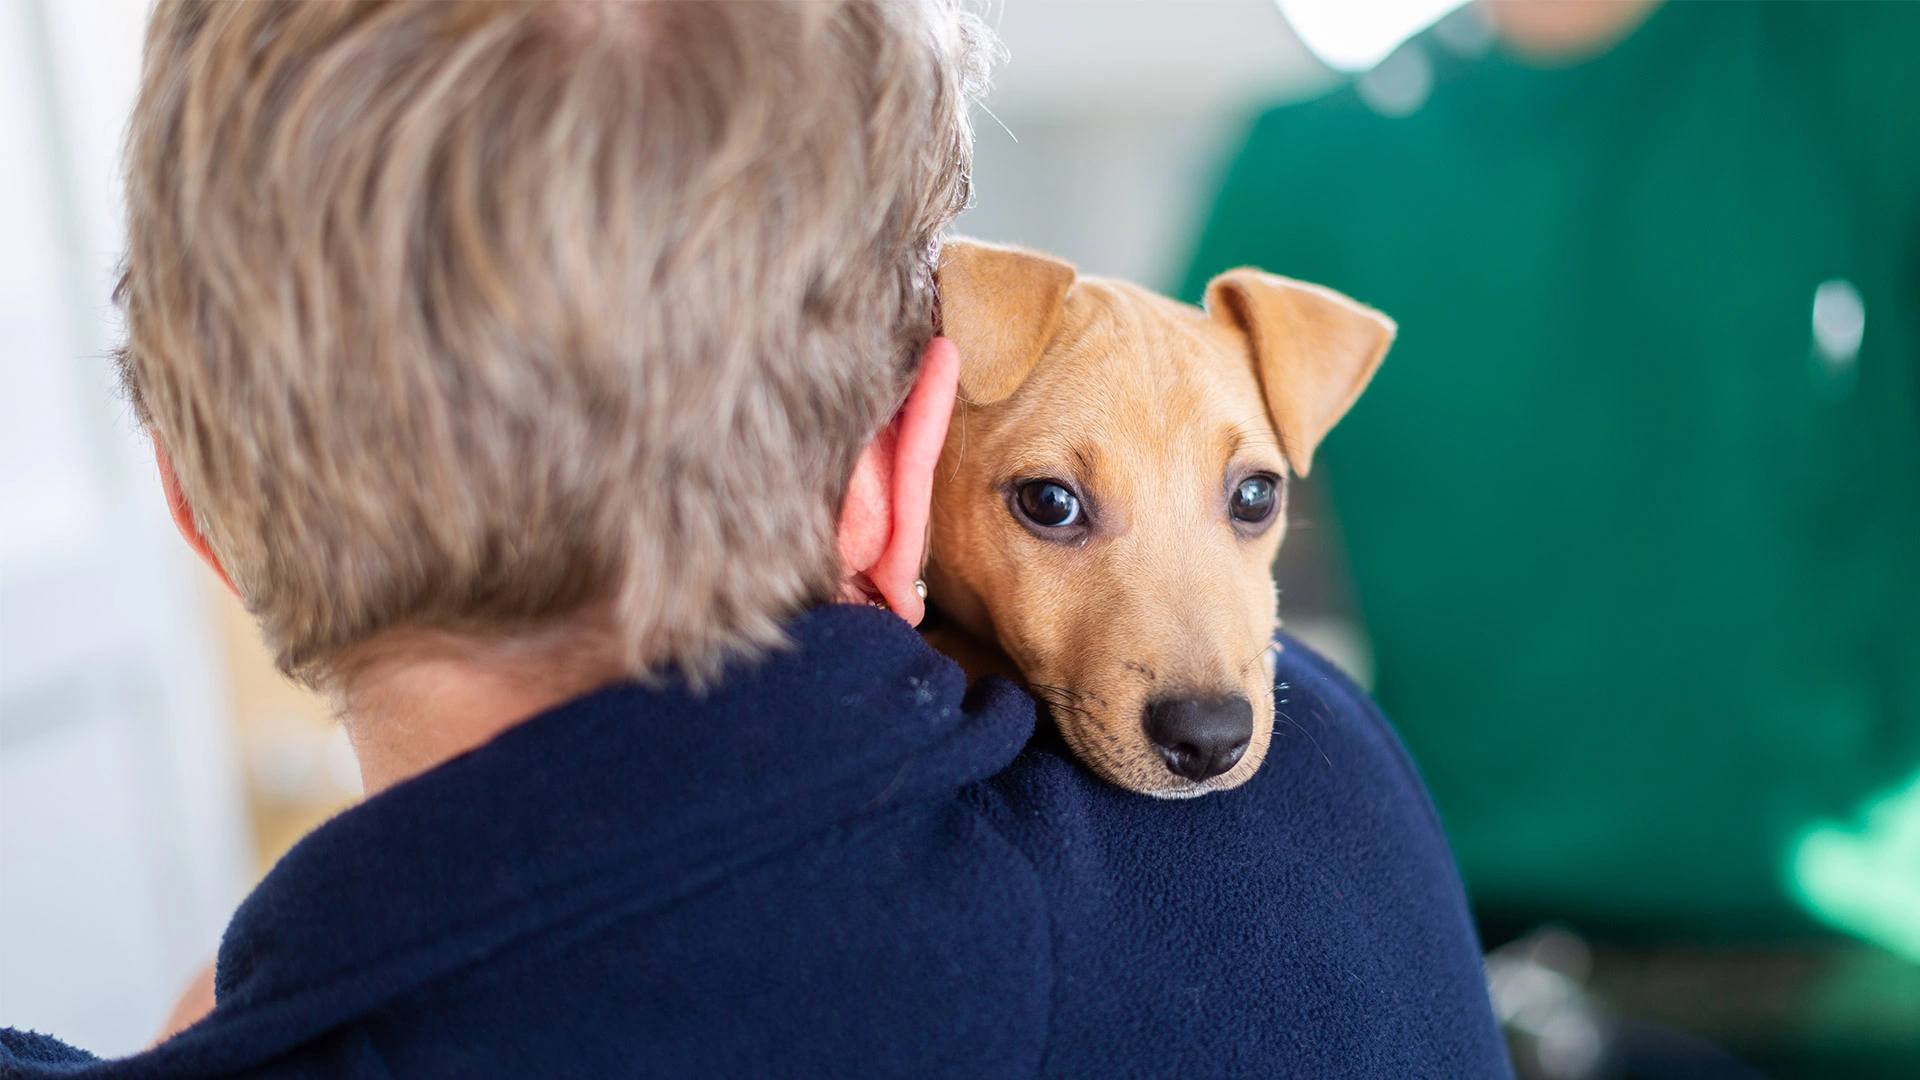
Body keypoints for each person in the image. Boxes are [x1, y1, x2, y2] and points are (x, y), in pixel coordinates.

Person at [0, 2, 1507, 1076]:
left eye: (1250, 502)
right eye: (1050, 502)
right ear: (904, 463)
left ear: (197, 515)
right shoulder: (1331, 791)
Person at [1186, 0, 1920, 1068]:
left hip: (1853, 982)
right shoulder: (1314, 159)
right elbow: (1130, 489)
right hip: (1470, 971)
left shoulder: (1862, 62)